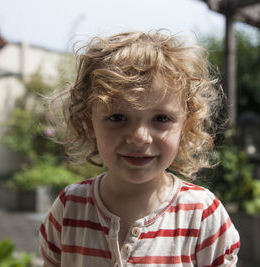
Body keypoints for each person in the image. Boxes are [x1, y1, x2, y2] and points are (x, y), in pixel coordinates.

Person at [39, 30, 240, 267]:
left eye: (161, 119)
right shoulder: (70, 208)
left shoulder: (202, 214)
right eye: (118, 117)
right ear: (88, 123)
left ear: (185, 126)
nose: (139, 137)